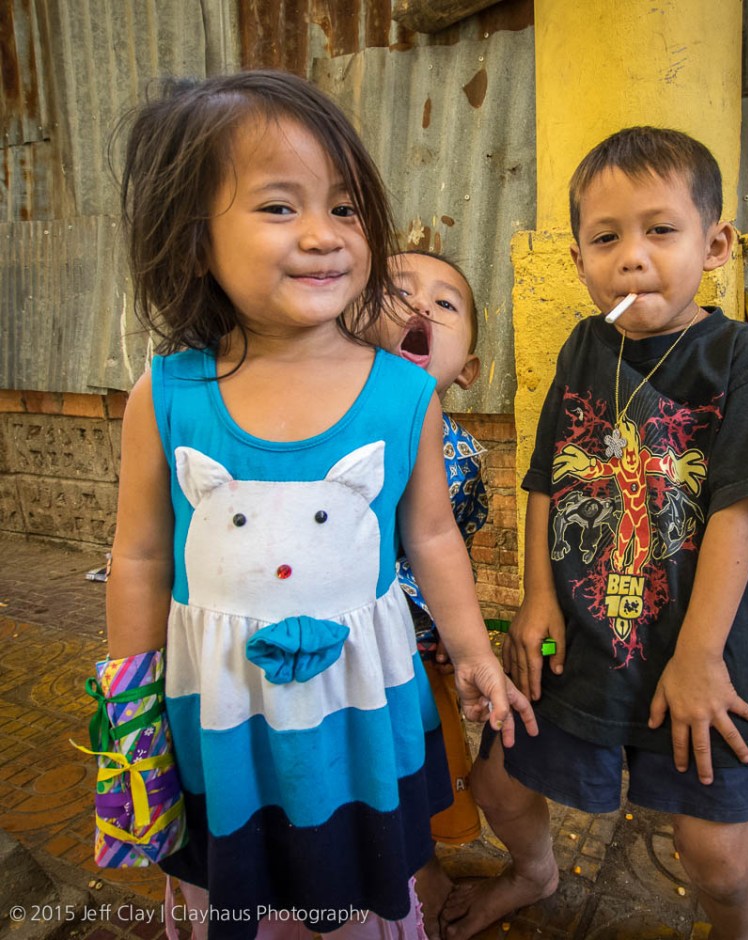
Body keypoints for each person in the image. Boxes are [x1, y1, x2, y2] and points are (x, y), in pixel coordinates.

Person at [94, 69, 536, 940]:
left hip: (360, 706)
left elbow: (435, 537)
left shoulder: (401, 395)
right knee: (238, 891)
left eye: (343, 207)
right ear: (194, 242)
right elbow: (142, 555)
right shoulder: (168, 394)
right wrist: (129, 712)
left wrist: (475, 650)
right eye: (277, 207)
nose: (323, 236)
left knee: (357, 886)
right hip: (218, 712)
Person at [442, 127, 748, 940]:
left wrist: (699, 657)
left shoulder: (739, 356)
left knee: (714, 853)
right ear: (580, 262)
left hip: (697, 657)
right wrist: (537, 600)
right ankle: (536, 874)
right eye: (605, 238)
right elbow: (547, 473)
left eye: (661, 231)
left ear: (714, 244)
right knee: (501, 787)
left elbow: (741, 511)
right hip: (579, 640)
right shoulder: (584, 348)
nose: (632, 257)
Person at [377, 250, 488, 937]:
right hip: (337, 647)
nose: (422, 306)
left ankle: (423, 869)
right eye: (399, 292)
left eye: (445, 304)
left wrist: (456, 638)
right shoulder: (326, 421)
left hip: (415, 650)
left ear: (468, 370)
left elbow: (446, 551)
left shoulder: (460, 457)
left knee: (421, 768)